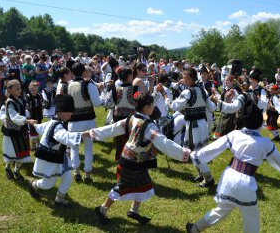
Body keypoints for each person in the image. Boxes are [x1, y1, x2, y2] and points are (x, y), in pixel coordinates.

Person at [186, 99, 280, 233]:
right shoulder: (265, 143)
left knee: (220, 210)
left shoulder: (234, 134)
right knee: (252, 219)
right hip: (245, 183)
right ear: (260, 122)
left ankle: (194, 229)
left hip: (229, 178)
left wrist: (195, 155)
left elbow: (212, 148)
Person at [87, 92, 191, 224]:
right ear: (146, 107)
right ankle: (102, 209)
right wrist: (183, 152)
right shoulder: (148, 126)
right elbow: (164, 143)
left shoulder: (132, 118)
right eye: (152, 105)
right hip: (131, 162)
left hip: (137, 160)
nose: (154, 107)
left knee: (144, 185)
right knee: (121, 187)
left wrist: (93, 132)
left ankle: (134, 211)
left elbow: (112, 128)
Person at [28, 94, 84, 207]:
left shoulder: (53, 121)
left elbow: (41, 127)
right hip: (50, 158)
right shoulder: (57, 126)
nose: (71, 116)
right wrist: (83, 134)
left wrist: (35, 124)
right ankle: (33, 184)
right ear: (62, 113)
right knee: (48, 184)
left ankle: (59, 199)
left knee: (68, 177)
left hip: (60, 157)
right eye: (69, 114)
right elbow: (63, 136)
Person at [171, 68, 217, 187]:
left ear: (190, 78)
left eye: (185, 77)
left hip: (193, 125)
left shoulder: (187, 92)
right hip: (202, 124)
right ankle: (201, 174)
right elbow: (212, 108)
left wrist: (166, 97)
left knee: (193, 152)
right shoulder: (202, 91)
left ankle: (208, 177)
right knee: (197, 150)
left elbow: (174, 106)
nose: (183, 79)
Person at [67, 62, 104, 183]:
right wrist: (103, 95)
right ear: (84, 72)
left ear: (72, 73)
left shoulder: (68, 85)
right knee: (88, 147)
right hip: (88, 120)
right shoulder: (88, 84)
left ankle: (76, 171)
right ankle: (87, 174)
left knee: (74, 147)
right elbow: (97, 103)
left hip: (73, 120)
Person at [0, 79, 36, 181]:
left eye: (20, 88)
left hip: (21, 131)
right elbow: (14, 117)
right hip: (12, 133)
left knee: (22, 154)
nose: (19, 90)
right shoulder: (10, 102)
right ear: (10, 90)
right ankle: (7, 168)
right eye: (16, 88)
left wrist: (27, 113)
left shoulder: (21, 99)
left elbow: (24, 111)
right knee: (11, 153)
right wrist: (27, 121)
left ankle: (16, 171)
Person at [214, 74, 238, 139]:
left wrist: (228, 102)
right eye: (225, 80)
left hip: (230, 112)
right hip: (224, 111)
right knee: (221, 126)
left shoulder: (233, 91)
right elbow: (221, 99)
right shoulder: (225, 89)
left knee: (227, 127)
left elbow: (235, 102)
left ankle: (228, 140)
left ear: (232, 82)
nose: (225, 82)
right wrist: (216, 93)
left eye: (227, 80)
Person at [25, 80, 44, 151]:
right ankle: (33, 144)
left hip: (38, 114)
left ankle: (38, 143)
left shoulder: (39, 95)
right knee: (32, 130)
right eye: (32, 90)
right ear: (29, 89)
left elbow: (41, 104)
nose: (34, 91)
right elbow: (26, 105)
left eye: (35, 90)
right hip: (31, 115)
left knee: (38, 128)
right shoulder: (27, 96)